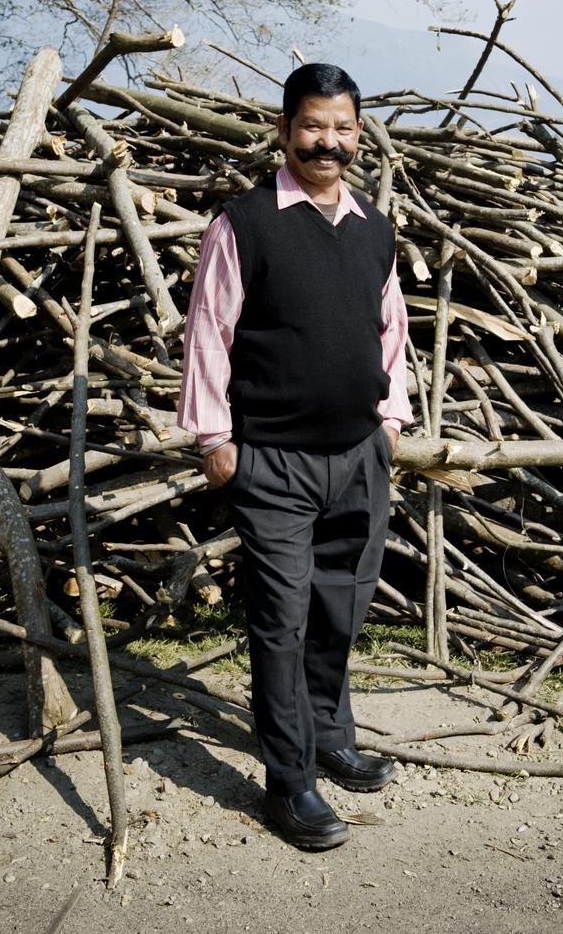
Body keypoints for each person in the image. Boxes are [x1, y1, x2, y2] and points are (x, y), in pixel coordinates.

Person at [178, 62, 413, 851]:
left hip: (358, 454)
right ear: (284, 131)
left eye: (344, 128)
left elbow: (393, 331)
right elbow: (209, 330)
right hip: (272, 460)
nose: (329, 142)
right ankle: (290, 782)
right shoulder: (244, 223)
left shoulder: (373, 227)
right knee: (281, 619)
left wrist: (389, 419)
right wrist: (214, 436)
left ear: (359, 136)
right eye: (314, 126)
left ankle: (329, 734)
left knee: (340, 604)